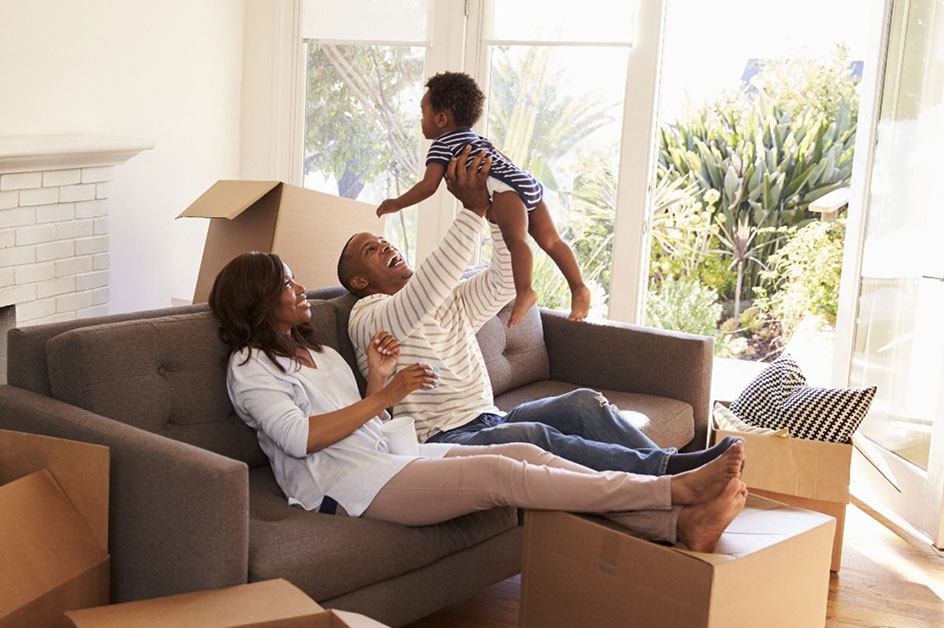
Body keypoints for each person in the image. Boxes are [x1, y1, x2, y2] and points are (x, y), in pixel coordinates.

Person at [208, 250, 747, 552]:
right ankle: (668, 489)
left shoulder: (319, 353)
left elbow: (364, 422)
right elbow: (302, 439)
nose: (300, 288)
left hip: (386, 460)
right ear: (257, 300)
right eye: (286, 282)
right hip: (343, 487)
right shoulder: (250, 368)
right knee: (498, 474)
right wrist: (387, 395)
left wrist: (378, 382)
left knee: (528, 457)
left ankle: (676, 525)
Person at [343, 144, 739, 476]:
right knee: (535, 437)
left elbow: (502, 282)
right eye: (371, 250)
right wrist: (471, 210)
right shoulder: (368, 316)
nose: (387, 247)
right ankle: (671, 473)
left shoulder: (447, 298)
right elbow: (419, 300)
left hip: (490, 417)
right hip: (443, 439)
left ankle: (682, 469)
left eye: (385, 241)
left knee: (583, 402)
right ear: (359, 280)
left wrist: (497, 216)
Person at [376, 71, 589, 325]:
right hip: (524, 180)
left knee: (516, 239)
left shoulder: (442, 146)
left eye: (423, 113)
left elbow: (428, 186)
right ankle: (578, 288)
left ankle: (525, 290)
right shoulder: (478, 139)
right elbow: (505, 160)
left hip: (504, 188)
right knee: (552, 241)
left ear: (441, 119)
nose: (421, 120)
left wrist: (397, 203)